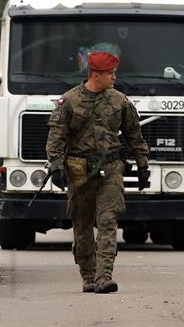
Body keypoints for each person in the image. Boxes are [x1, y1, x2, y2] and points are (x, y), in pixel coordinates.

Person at [45, 51, 149, 294]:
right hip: (79, 171)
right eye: (110, 73)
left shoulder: (120, 101)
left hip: (111, 168)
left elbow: (135, 136)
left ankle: (104, 276)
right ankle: (88, 275)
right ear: (95, 74)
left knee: (107, 221)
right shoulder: (68, 101)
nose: (114, 77)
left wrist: (143, 165)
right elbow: (56, 138)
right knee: (82, 226)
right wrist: (57, 166)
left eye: (114, 72)